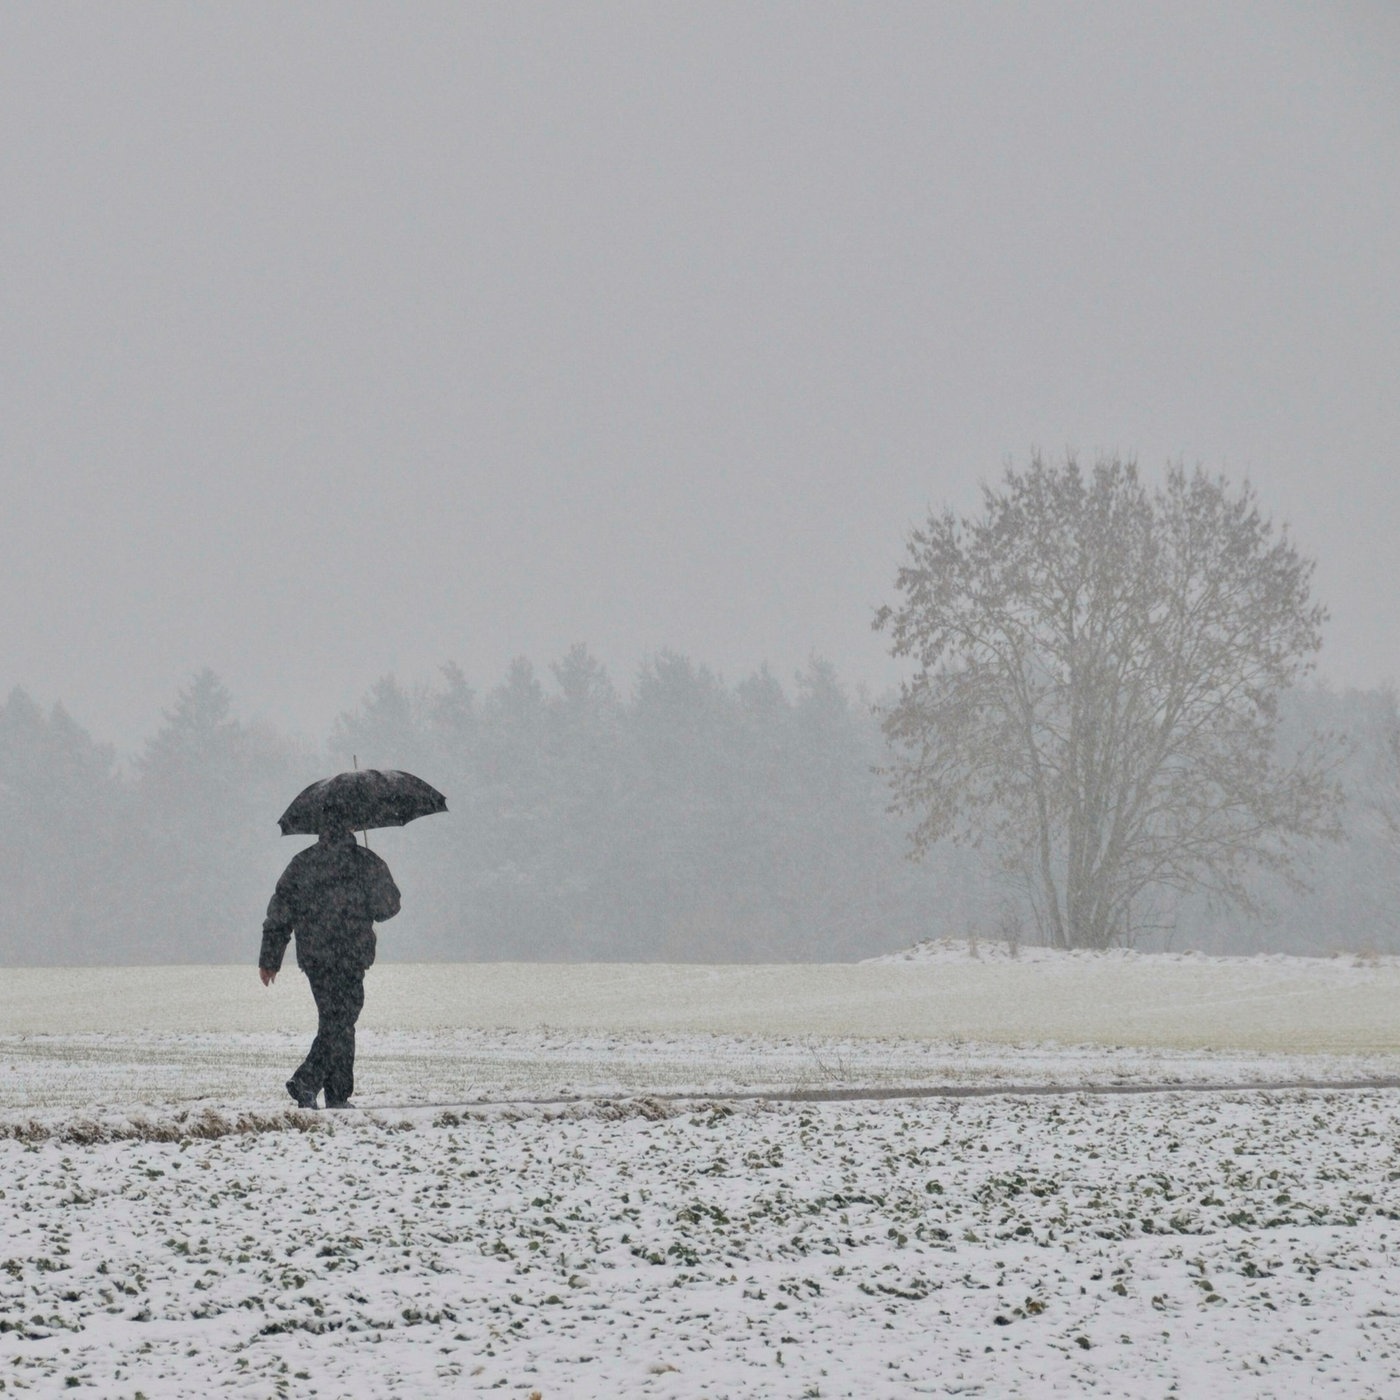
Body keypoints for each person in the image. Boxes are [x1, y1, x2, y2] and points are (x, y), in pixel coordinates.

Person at [258, 822, 401, 1109]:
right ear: (351, 826)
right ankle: (311, 1082)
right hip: (351, 955)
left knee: (335, 1022)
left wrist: (270, 958)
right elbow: (389, 908)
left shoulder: (302, 863)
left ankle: (336, 1095)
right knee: (341, 1022)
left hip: (316, 957)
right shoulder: (365, 862)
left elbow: (280, 912)